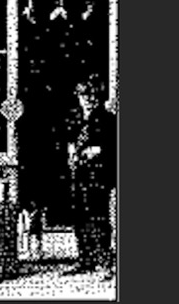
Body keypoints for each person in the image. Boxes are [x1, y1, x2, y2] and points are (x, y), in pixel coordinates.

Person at [67, 80, 116, 281]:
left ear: (96, 97)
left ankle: (105, 262)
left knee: (99, 218)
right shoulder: (76, 118)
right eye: (82, 96)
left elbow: (111, 145)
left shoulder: (106, 118)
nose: (86, 99)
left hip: (99, 176)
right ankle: (85, 258)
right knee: (80, 217)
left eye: (89, 95)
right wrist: (71, 151)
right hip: (80, 175)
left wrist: (94, 151)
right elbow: (70, 140)